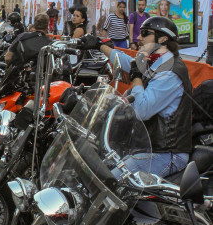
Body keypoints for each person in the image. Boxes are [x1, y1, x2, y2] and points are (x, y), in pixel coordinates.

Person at [80, 16, 192, 177]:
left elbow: (141, 110)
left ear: (163, 38)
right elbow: (126, 62)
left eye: (145, 33)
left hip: (166, 153)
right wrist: (98, 45)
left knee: (110, 183)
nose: (138, 38)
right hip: (146, 146)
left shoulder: (170, 73)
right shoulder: (156, 61)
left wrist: (136, 78)